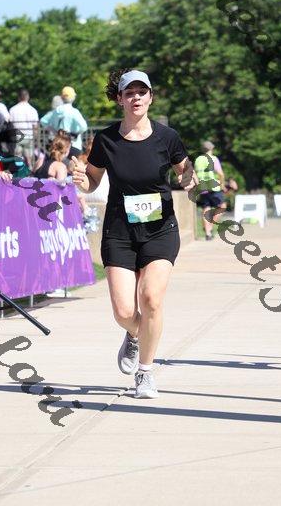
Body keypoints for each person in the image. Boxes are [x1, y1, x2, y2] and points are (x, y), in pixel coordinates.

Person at [71, 69, 196, 398]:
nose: (136, 97)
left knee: (151, 299)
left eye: (142, 92)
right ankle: (135, 334)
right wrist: (82, 181)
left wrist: (192, 181)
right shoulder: (106, 140)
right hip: (120, 231)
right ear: (120, 99)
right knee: (125, 312)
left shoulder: (168, 137)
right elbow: (93, 180)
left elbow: (186, 173)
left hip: (160, 229)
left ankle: (145, 372)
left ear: (151, 97)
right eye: (130, 93)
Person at [40, 86, 87, 157]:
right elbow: (84, 127)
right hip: (74, 145)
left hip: (60, 144)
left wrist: (55, 131)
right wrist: (74, 134)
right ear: (73, 98)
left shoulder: (57, 110)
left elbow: (44, 121)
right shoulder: (74, 111)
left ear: (62, 97)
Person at [194, 140, 225, 240]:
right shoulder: (213, 159)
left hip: (203, 187)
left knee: (206, 208)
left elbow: (195, 173)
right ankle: (210, 226)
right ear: (212, 148)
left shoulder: (198, 159)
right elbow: (220, 173)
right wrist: (222, 184)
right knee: (222, 207)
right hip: (214, 187)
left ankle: (207, 233)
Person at [9, 89, 39, 168]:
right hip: (29, 137)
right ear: (28, 97)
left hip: (17, 136)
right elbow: (35, 127)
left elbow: (10, 125)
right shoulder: (33, 110)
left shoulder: (12, 110)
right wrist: (35, 139)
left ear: (18, 97)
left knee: (17, 159)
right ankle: (30, 172)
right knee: (29, 160)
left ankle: (17, 173)